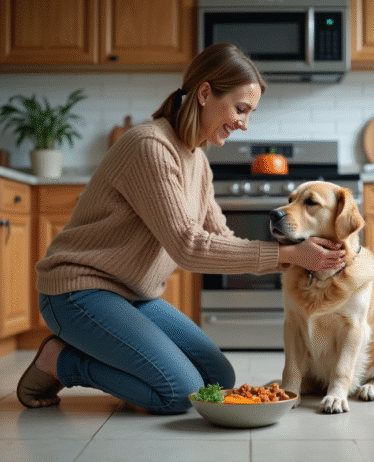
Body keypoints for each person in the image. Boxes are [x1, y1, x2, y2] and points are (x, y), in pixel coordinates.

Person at [17, 43, 346, 413]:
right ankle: (59, 360)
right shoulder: (150, 146)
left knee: (216, 379)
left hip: (134, 295)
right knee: (178, 392)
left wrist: (297, 253)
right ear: (205, 93)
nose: (244, 123)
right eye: (241, 109)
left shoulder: (198, 161)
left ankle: (121, 360)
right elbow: (188, 246)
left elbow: (221, 239)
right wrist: (287, 253)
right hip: (78, 292)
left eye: (250, 113)